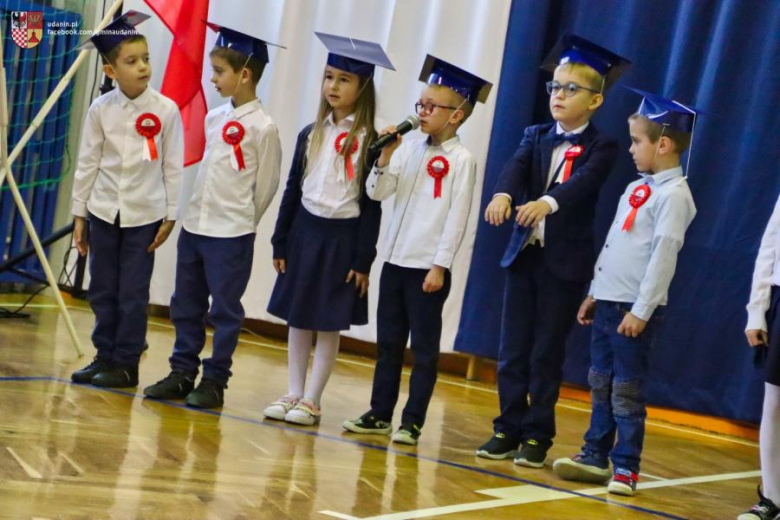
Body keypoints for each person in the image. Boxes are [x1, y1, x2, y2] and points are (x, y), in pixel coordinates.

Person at [477, 34, 629, 467]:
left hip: (563, 263)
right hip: (525, 255)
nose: (558, 95)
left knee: (546, 351)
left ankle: (537, 435)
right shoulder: (536, 134)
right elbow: (515, 167)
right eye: (555, 86)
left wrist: (547, 202)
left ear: (595, 101)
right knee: (513, 349)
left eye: (570, 89)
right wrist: (503, 194)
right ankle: (506, 427)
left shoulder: (603, 145)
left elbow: (584, 183)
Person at [553, 88, 699, 497]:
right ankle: (594, 454)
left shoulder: (674, 195)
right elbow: (615, 243)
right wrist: (595, 292)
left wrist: (641, 310)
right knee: (600, 382)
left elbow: (663, 257)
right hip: (608, 301)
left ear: (663, 145)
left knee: (626, 391)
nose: (631, 150)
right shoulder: (639, 188)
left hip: (633, 310)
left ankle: (626, 467)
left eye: (637, 142)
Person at [342, 55, 492, 446]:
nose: (422, 112)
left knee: (423, 350)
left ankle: (412, 422)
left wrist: (440, 266)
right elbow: (378, 193)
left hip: (427, 269)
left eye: (431, 107)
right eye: (420, 104)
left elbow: (457, 218)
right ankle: (380, 413)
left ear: (456, 115)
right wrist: (385, 157)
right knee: (388, 345)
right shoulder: (407, 149)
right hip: (394, 262)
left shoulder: (462, 161)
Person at [143, 22, 282, 409]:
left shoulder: (264, 128)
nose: (212, 78)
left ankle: (215, 379)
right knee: (185, 303)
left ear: (245, 75)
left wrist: (241, 222)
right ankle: (182, 372)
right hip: (196, 227)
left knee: (224, 310)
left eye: (219, 72)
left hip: (231, 234)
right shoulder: (215, 118)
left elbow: (266, 186)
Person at [263, 33, 392, 426]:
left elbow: (371, 205)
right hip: (305, 234)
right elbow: (292, 189)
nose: (333, 86)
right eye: (329, 77)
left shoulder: (372, 139)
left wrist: (363, 260)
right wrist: (280, 240)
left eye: (344, 79)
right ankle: (293, 391)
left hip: (342, 239)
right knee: (298, 316)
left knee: (327, 320)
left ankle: (313, 399)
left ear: (363, 87)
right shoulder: (311, 133)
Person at [70, 11, 183, 388]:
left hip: (144, 217)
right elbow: (87, 163)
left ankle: (126, 363)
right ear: (110, 71)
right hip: (104, 213)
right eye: (131, 61)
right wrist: (80, 214)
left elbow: (172, 166)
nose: (143, 67)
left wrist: (170, 214)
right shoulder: (100, 110)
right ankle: (104, 355)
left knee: (132, 292)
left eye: (145, 58)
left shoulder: (166, 110)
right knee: (102, 288)